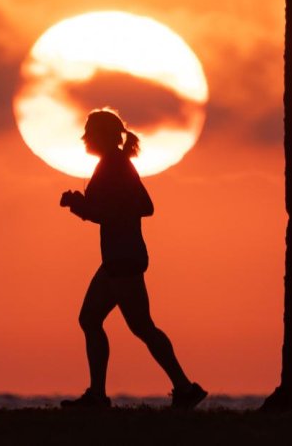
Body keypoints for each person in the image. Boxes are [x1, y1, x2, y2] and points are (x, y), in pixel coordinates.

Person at [58, 108, 207, 410]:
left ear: (102, 136)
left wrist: (79, 205)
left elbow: (136, 208)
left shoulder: (115, 165)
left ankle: (183, 388)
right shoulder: (113, 164)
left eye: (89, 132)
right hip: (120, 257)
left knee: (138, 326)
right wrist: (88, 205)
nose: (84, 138)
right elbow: (128, 206)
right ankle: (104, 395)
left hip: (123, 259)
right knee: (99, 320)